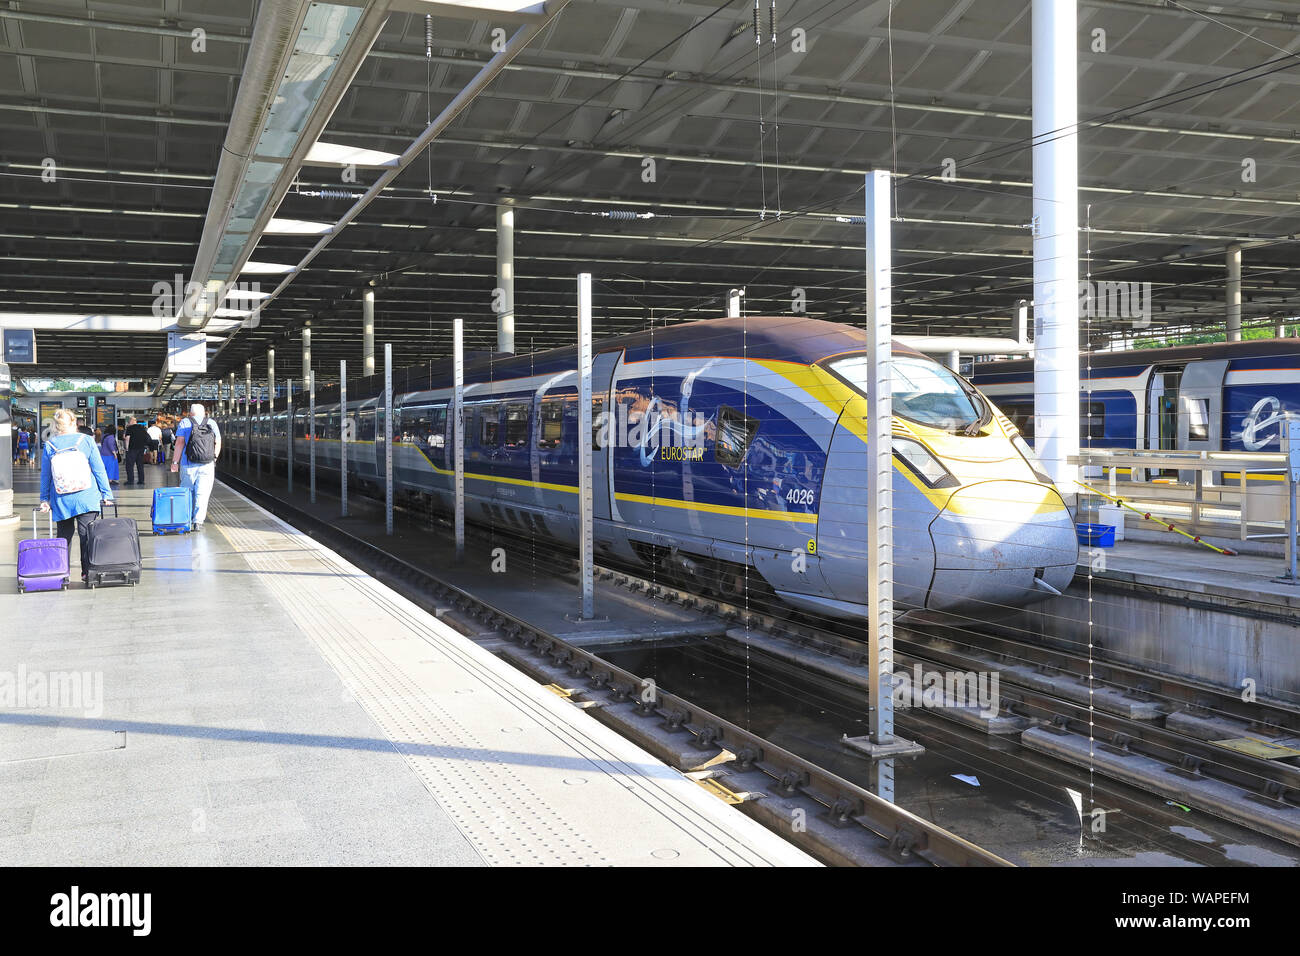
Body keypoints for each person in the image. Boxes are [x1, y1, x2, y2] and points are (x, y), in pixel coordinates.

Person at [39, 409, 114, 585]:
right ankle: (87, 574)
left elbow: (46, 476)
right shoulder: (86, 440)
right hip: (86, 496)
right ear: (74, 423)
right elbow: (99, 469)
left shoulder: (50, 445)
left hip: (61, 498)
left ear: (56, 426)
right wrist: (107, 494)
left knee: (64, 535)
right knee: (86, 535)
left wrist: (44, 499)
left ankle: (62, 573)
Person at [173, 403, 222, 531]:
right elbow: (218, 442)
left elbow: (179, 443)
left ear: (190, 413)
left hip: (187, 464)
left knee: (187, 492)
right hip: (207, 464)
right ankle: (198, 522)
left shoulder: (185, 422)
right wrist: (214, 457)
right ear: (204, 412)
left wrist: (174, 463)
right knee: (203, 493)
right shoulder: (211, 422)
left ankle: (186, 519)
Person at [122, 416, 150, 486]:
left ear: (131, 421)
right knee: (140, 465)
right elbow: (146, 437)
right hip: (141, 448)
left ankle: (130, 480)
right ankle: (141, 480)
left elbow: (127, 438)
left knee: (129, 465)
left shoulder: (129, 428)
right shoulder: (142, 428)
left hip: (132, 448)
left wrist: (127, 448)